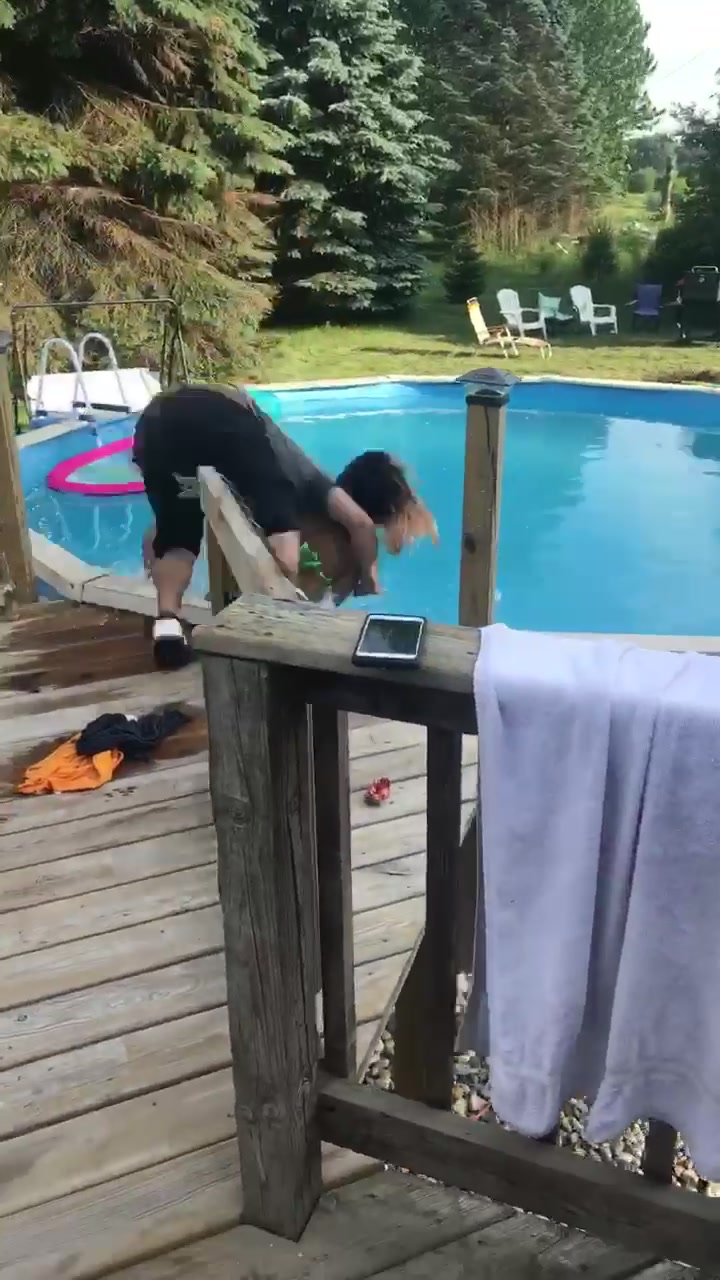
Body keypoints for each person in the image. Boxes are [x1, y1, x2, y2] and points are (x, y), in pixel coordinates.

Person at [133, 383, 437, 668]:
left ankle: (168, 626)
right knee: (279, 539)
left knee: (178, 540)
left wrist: (160, 526)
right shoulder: (306, 478)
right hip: (223, 415)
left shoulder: (277, 471)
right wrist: (368, 580)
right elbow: (359, 524)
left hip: (156, 424)